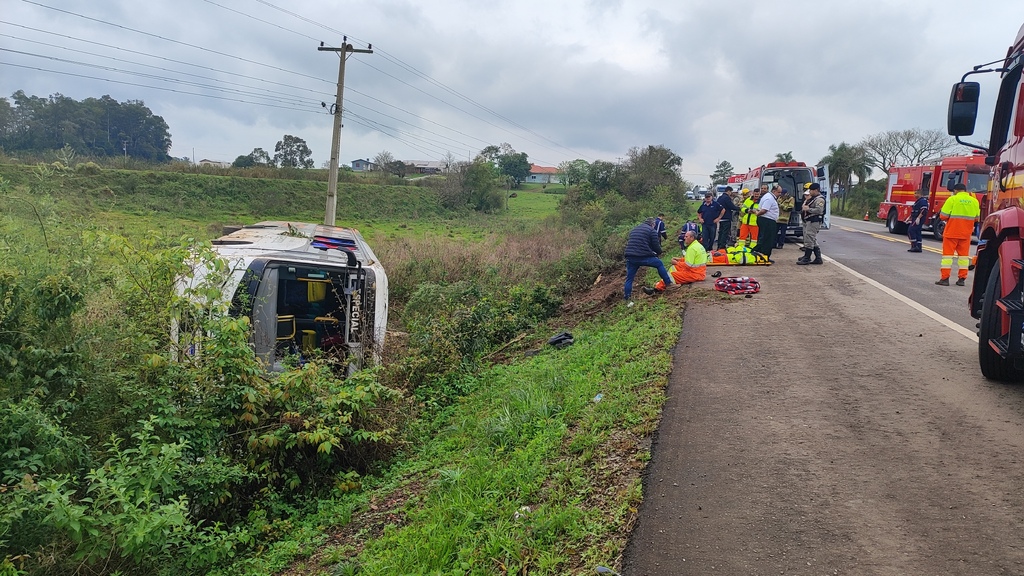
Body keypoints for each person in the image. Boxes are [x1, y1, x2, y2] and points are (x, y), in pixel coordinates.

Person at [935, 183, 981, 286]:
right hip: (966, 234)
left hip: (951, 232)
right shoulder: (974, 201)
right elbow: (977, 218)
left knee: (947, 257)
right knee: (964, 258)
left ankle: (945, 279)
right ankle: (962, 279)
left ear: (955, 190)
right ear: (965, 190)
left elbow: (943, 216)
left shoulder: (952, 199)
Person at [624, 217, 675, 303]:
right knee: (659, 263)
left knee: (629, 278)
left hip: (630, 256)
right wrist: (658, 253)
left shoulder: (634, 229)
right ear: (653, 224)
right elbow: (656, 246)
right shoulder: (652, 231)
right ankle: (668, 284)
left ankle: (627, 297)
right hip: (642, 256)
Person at [798, 183, 826, 265]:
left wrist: (808, 209)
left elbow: (819, 210)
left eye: (811, 190)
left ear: (816, 190)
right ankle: (818, 258)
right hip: (810, 221)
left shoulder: (820, 199)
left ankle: (807, 257)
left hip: (814, 221)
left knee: (809, 238)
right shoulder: (814, 198)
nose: (810, 192)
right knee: (811, 239)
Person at [752, 184, 781, 260]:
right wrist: (758, 214)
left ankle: (761, 254)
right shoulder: (769, 198)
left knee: (765, 238)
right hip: (767, 220)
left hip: (766, 220)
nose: (780, 194)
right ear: (774, 191)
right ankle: (764, 255)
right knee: (768, 239)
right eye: (779, 192)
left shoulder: (768, 196)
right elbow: (764, 210)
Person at [907, 188, 928, 253]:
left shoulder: (922, 201)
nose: (914, 195)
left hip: (918, 218)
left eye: (916, 193)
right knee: (917, 232)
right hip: (914, 218)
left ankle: (914, 246)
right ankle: (919, 247)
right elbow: (914, 210)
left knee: (911, 230)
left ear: (920, 194)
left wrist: (918, 218)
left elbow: (924, 210)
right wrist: (909, 217)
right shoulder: (918, 201)